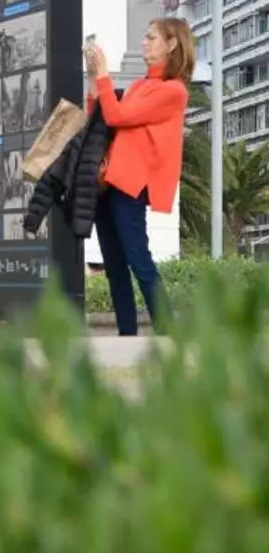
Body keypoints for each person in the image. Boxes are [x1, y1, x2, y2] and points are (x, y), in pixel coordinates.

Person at [84, 18, 195, 336]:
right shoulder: (139, 86)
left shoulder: (173, 91)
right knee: (114, 269)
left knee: (138, 259)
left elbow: (118, 115)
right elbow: (104, 118)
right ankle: (126, 337)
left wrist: (105, 73)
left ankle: (167, 333)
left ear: (171, 44)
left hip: (130, 185)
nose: (144, 42)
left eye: (150, 37)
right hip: (107, 183)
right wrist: (95, 81)